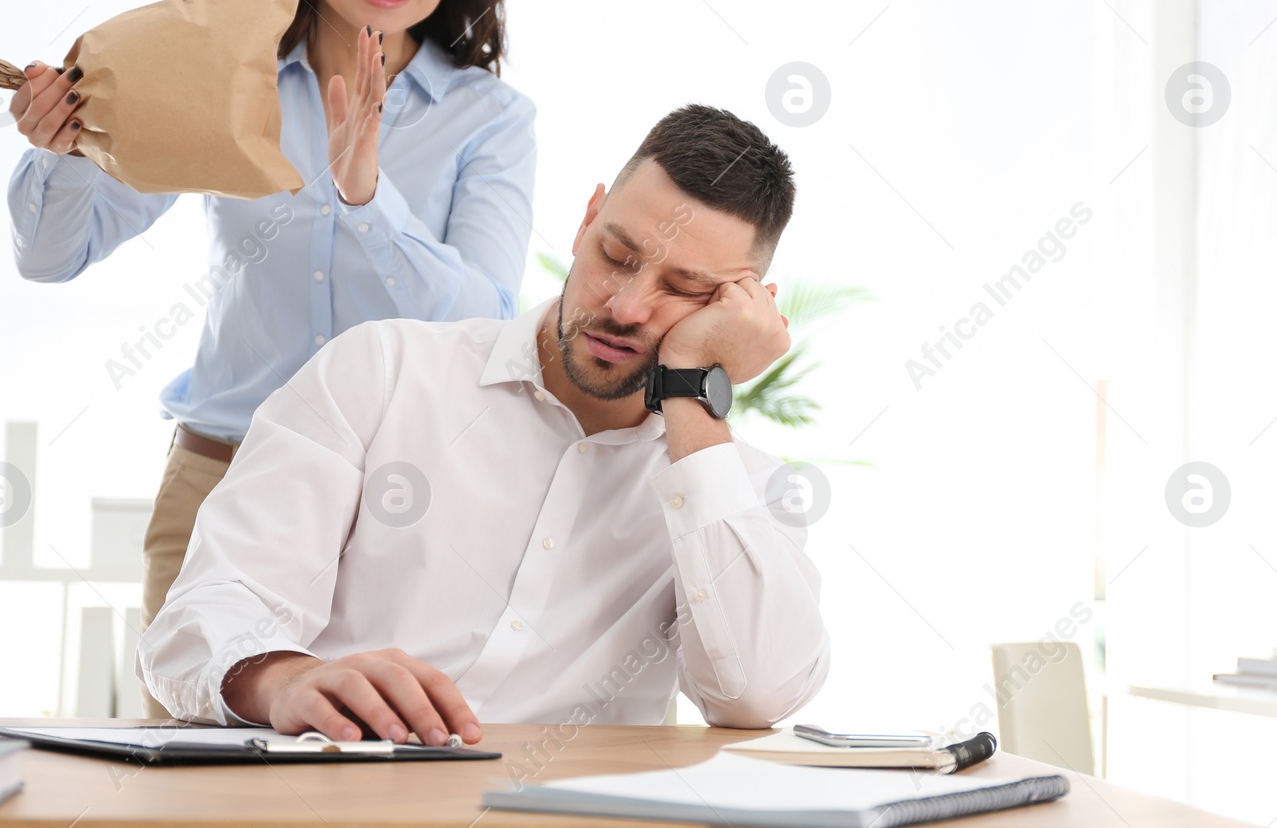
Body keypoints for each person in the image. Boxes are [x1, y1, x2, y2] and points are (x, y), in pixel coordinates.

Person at [2, 0, 536, 715]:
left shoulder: (488, 119)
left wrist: (367, 199)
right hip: (223, 483)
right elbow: (56, 258)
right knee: (190, 776)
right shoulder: (223, 79)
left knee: (380, 768)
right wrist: (59, 148)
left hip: (400, 508)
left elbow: (481, 323)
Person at [138, 105, 830, 742]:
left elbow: (757, 695)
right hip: (343, 798)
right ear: (588, 219)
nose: (625, 306)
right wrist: (282, 678)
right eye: (616, 257)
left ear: (743, 310)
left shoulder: (731, 489)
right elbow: (200, 620)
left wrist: (690, 393)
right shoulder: (382, 373)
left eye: (683, 291)